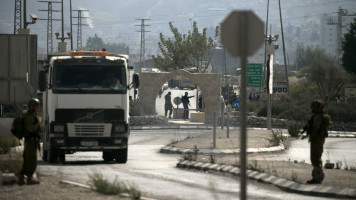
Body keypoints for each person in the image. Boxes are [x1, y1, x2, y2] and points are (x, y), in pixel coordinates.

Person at [304, 99, 330, 184]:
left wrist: (311, 137)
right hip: (319, 138)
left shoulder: (318, 116)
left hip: (317, 138)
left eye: (314, 106)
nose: (312, 108)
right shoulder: (320, 115)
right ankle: (317, 177)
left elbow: (316, 128)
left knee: (315, 157)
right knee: (316, 157)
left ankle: (317, 177)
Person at [18, 98, 42, 185]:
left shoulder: (31, 115)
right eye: (36, 106)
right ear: (31, 107)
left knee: (27, 161)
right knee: (31, 161)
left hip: (31, 141)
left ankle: (22, 178)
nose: (37, 108)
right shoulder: (29, 117)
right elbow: (31, 129)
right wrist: (38, 122)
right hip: (30, 141)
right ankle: (28, 179)